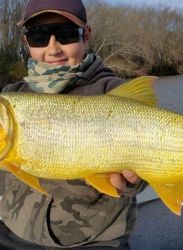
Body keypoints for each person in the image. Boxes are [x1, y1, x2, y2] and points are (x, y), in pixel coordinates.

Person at [0, 0, 147, 249]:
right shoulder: (11, 95)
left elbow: (145, 171)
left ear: (86, 35)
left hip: (96, 241)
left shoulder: (114, 92)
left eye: (66, 34)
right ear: (26, 42)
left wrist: (134, 182)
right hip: (14, 234)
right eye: (39, 36)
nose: (53, 48)